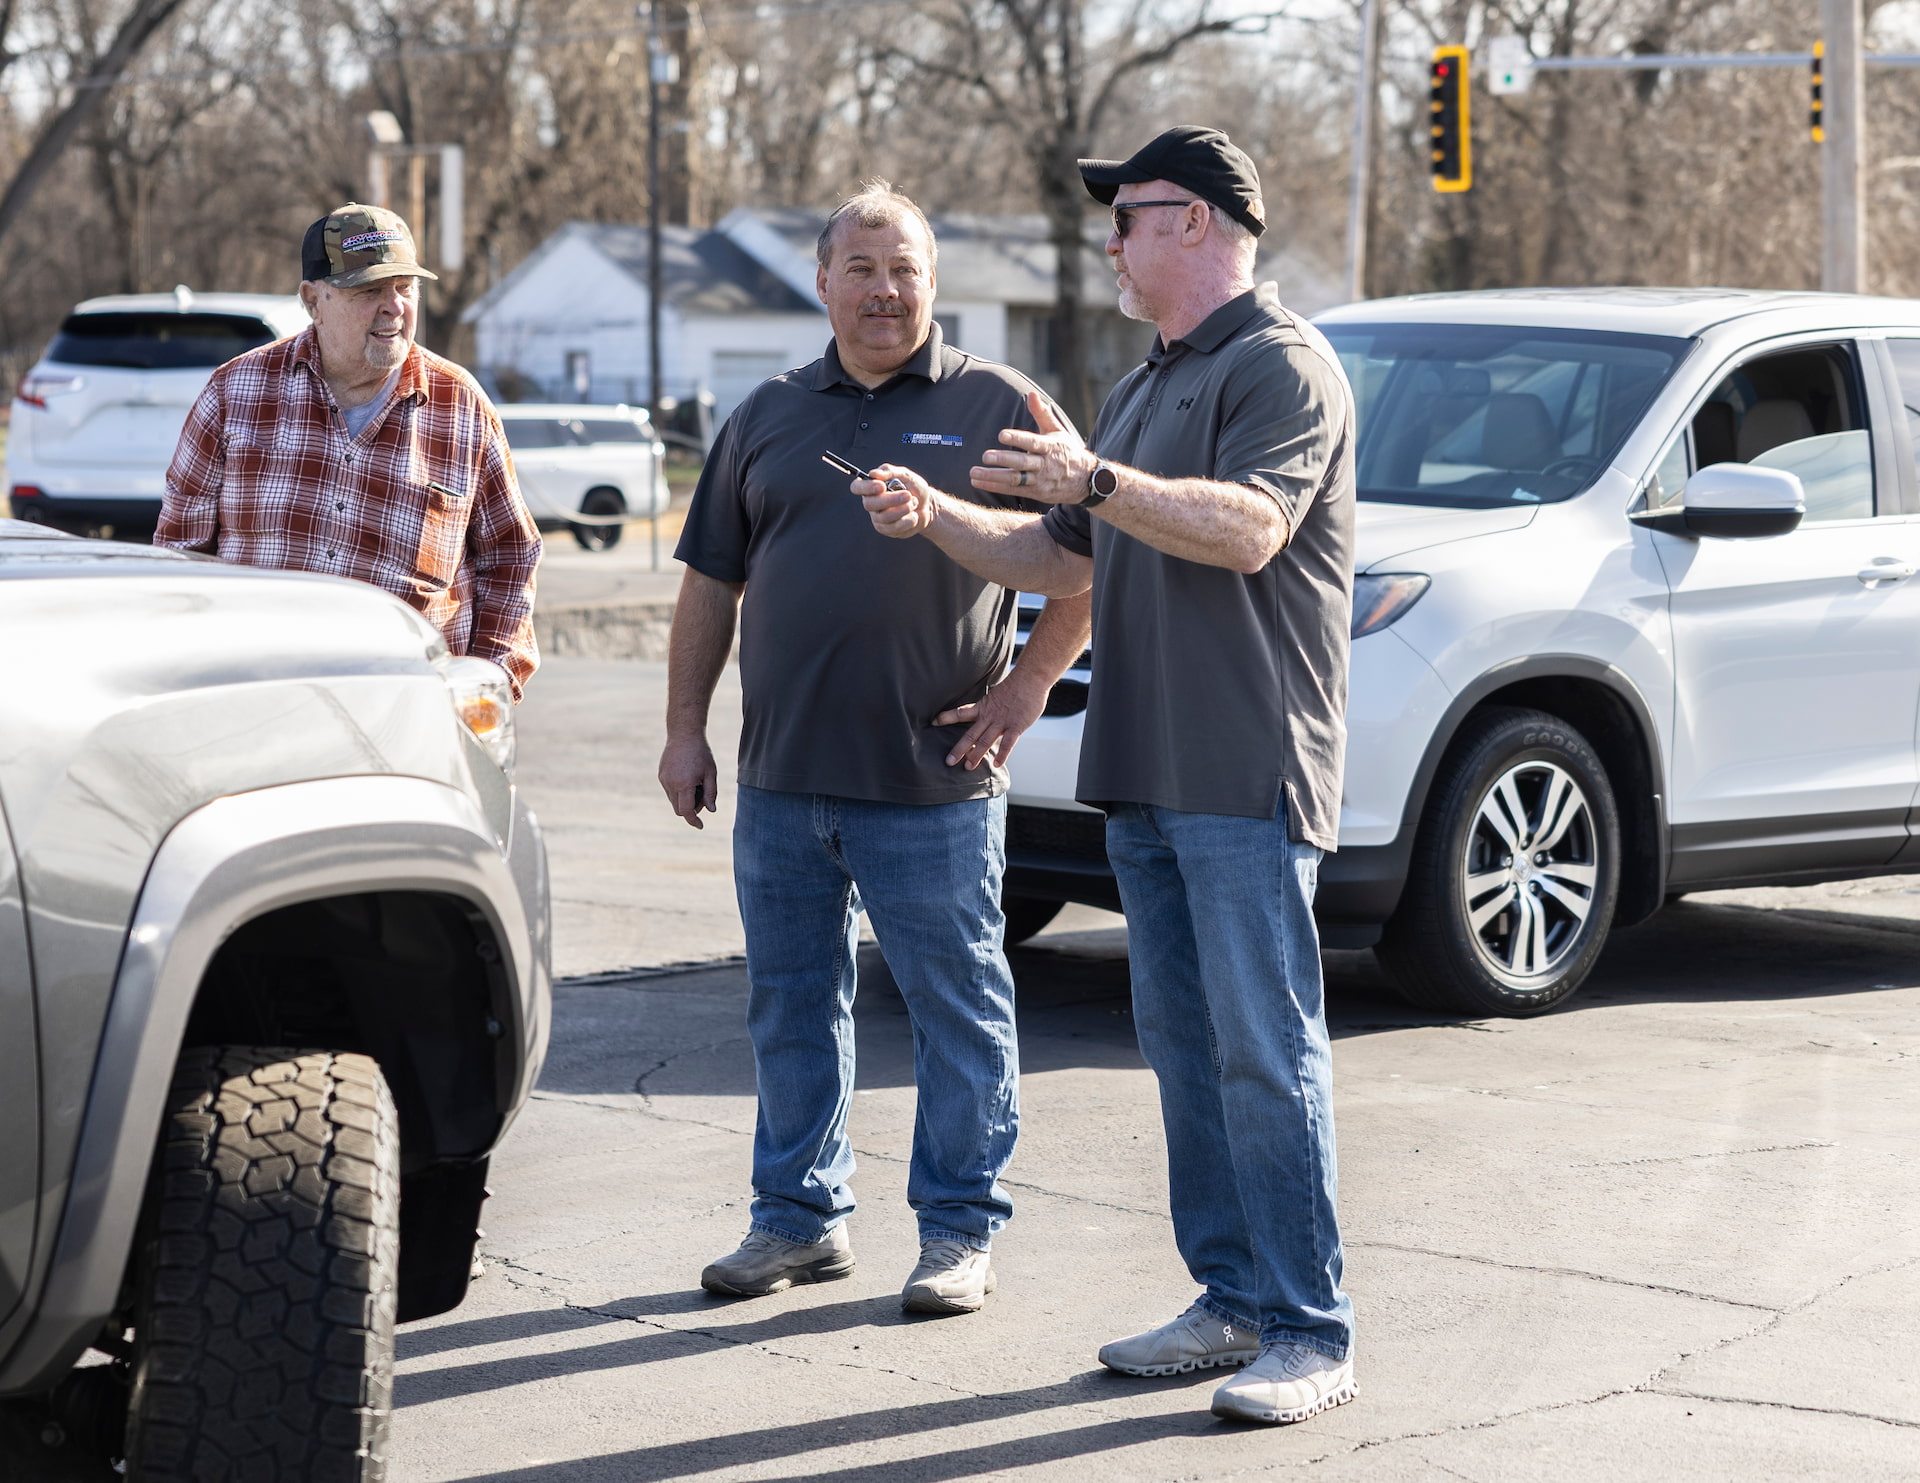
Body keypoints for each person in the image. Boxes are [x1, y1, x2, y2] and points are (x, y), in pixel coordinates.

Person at [857, 127, 1357, 1422]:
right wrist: (938, 516)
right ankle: (1232, 1296)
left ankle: (1311, 1326)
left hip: (1247, 772)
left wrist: (1099, 475)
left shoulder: (1281, 366)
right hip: (1143, 773)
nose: (1112, 243)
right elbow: (1062, 558)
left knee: (1265, 1049)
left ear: (1193, 222)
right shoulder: (1144, 384)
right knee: (1186, 1050)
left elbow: (1250, 529)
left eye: (1126, 217)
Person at [658, 181, 1092, 1315]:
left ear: (934, 284)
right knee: (791, 1004)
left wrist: (1028, 686)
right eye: (862, 267)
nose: (884, 291)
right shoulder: (766, 414)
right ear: (823, 281)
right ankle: (797, 1220)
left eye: (904, 269)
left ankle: (958, 1231)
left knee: (958, 1007)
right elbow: (711, 582)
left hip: (931, 784)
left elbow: (1092, 558)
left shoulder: (1001, 404)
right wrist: (681, 730)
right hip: (784, 780)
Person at [157, 203, 540, 696]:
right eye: (369, 290)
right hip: (257, 702)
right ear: (312, 299)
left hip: (413, 715)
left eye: (405, 289)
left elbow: (512, 557)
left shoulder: (461, 407)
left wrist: (486, 691)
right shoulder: (235, 394)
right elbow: (179, 561)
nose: (394, 307)